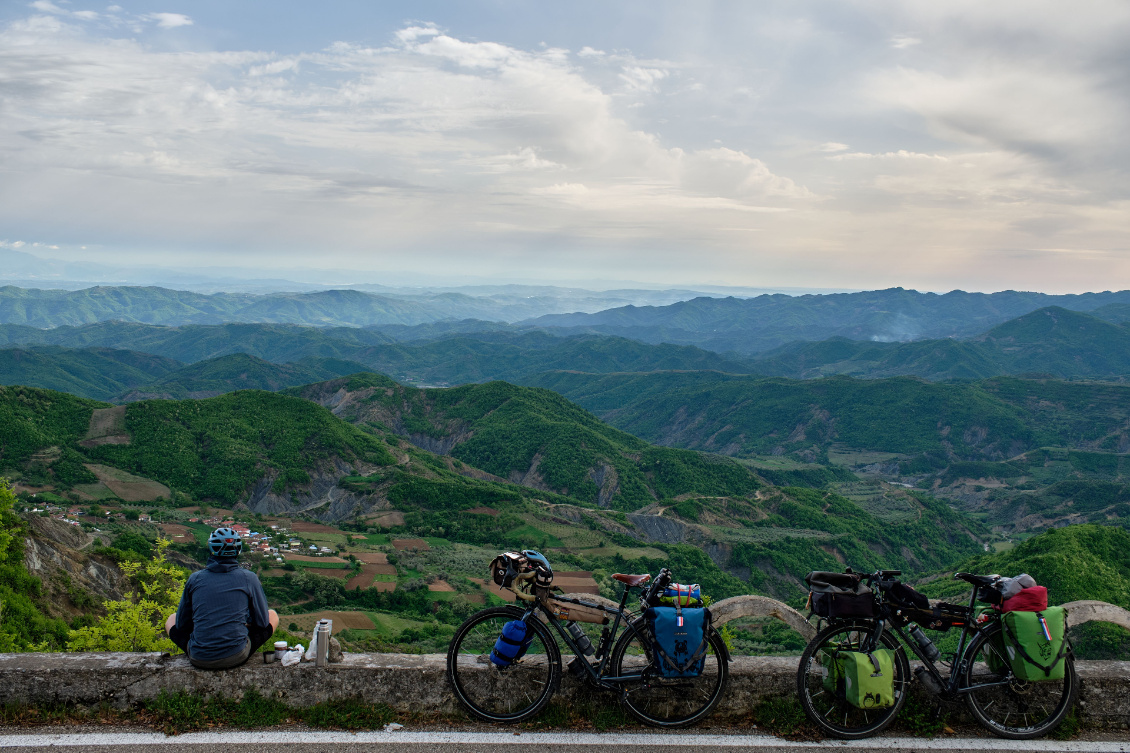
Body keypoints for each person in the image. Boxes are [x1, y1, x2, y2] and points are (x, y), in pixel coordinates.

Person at [165, 526, 279, 669]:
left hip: (199, 657)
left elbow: (181, 624)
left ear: (212, 548)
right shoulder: (249, 578)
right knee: (272, 615)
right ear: (238, 550)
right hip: (236, 656)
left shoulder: (195, 579)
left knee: (171, 619)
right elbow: (262, 622)